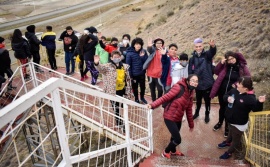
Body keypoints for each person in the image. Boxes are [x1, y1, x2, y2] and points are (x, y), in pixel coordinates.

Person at [147, 74, 198, 159]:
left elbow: (189, 110)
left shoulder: (190, 93)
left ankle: (173, 151)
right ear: (188, 81)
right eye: (193, 80)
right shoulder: (178, 87)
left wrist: (191, 124)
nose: (195, 83)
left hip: (178, 117)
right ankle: (165, 152)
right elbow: (164, 98)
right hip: (169, 117)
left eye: (196, 81)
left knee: (174, 137)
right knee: (178, 140)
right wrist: (152, 105)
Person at [217, 76, 265, 159]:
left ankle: (229, 152)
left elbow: (256, 110)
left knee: (236, 140)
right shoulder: (235, 90)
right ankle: (228, 142)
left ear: (246, 89)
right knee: (230, 132)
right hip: (230, 120)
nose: (237, 84)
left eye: (239, 84)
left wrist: (260, 103)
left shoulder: (251, 99)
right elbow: (225, 95)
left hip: (239, 124)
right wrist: (227, 98)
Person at [210, 51, 250, 137]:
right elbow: (216, 71)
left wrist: (236, 84)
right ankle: (220, 122)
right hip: (222, 91)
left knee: (229, 110)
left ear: (236, 58)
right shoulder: (225, 66)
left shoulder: (242, 67)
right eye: (229, 59)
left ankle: (227, 127)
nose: (231, 61)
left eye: (232, 58)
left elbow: (248, 77)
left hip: (233, 93)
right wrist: (221, 63)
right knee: (222, 108)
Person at [94, 50, 132, 130]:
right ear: (111, 58)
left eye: (118, 57)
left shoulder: (124, 66)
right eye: (115, 57)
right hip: (112, 91)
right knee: (116, 108)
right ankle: (120, 124)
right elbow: (100, 69)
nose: (117, 58)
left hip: (122, 90)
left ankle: (121, 122)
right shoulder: (108, 66)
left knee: (123, 106)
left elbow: (127, 78)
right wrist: (97, 63)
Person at [188, 38, 216, 123]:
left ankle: (207, 114)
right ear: (194, 47)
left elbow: (212, 52)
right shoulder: (192, 58)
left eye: (200, 46)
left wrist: (213, 47)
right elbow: (190, 71)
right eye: (197, 46)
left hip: (207, 83)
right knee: (198, 100)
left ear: (203, 46)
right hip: (198, 84)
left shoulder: (207, 55)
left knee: (207, 101)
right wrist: (191, 82)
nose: (198, 48)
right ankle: (196, 113)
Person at [143, 37, 167, 101]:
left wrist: (164, 54)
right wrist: (149, 46)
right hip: (150, 74)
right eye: (157, 43)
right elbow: (150, 49)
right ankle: (154, 102)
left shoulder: (164, 51)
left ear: (162, 44)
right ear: (155, 44)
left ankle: (158, 101)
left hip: (159, 74)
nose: (159, 44)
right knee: (152, 89)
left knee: (160, 89)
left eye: (160, 43)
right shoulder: (153, 51)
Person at [126, 37, 148, 104]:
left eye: (140, 44)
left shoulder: (143, 52)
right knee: (135, 88)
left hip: (142, 73)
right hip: (134, 74)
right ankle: (136, 99)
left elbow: (146, 62)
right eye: (137, 44)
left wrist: (142, 57)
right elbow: (128, 66)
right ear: (134, 45)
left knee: (143, 87)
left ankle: (142, 98)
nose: (138, 45)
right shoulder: (129, 53)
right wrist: (130, 76)